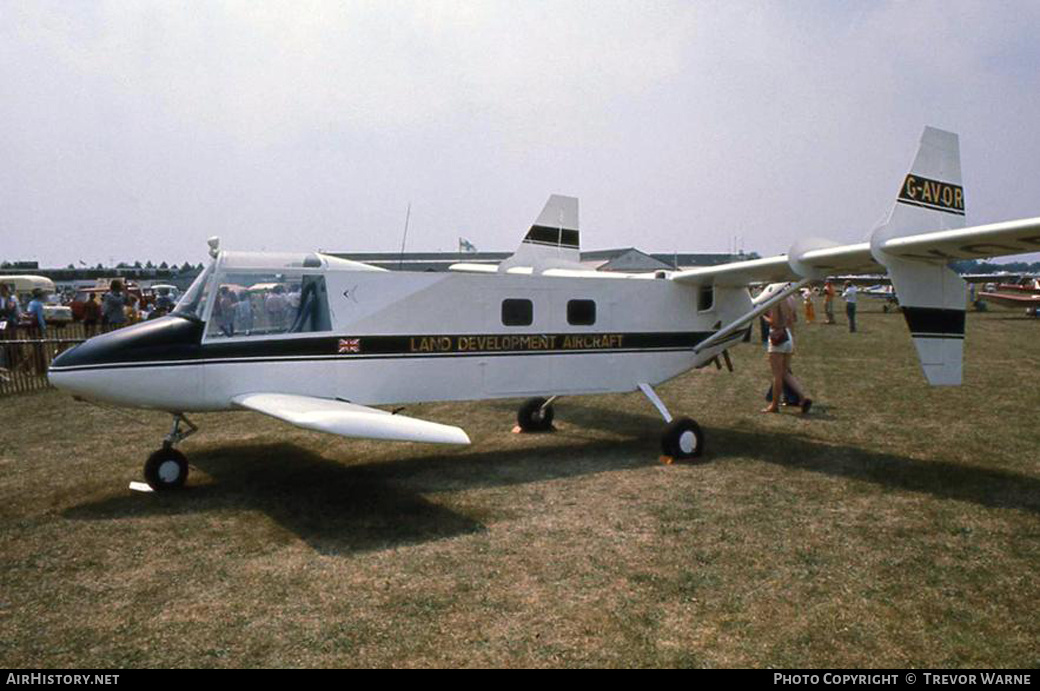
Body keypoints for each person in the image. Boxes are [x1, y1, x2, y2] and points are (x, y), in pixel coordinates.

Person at [762, 289, 812, 414]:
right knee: (785, 373)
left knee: (777, 375)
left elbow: (774, 322)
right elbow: (792, 318)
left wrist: (762, 315)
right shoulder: (789, 299)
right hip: (788, 335)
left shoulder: (775, 301)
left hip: (777, 337)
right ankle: (802, 398)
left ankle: (774, 405)